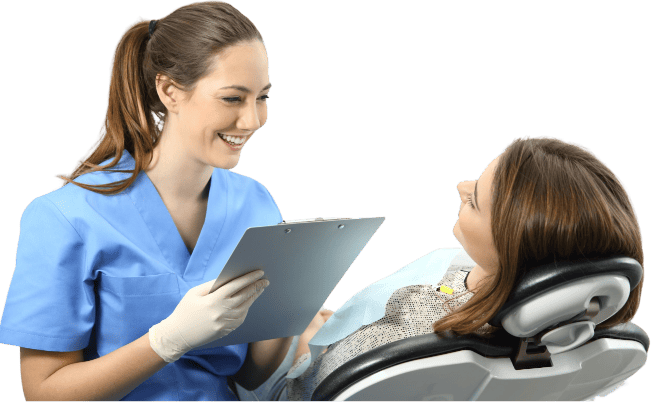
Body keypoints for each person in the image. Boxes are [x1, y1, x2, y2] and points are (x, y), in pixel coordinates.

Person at [0, 1, 330, 401]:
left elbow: (248, 374)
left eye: (263, 97)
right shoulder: (64, 218)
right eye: (232, 98)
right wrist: (167, 340)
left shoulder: (255, 202)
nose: (253, 120)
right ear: (169, 90)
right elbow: (44, 393)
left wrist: (290, 316)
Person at [284, 135, 646, 401]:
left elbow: (310, 381)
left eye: (473, 201)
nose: (461, 186)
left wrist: (296, 330)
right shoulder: (566, 342)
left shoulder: (408, 333)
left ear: (508, 247)